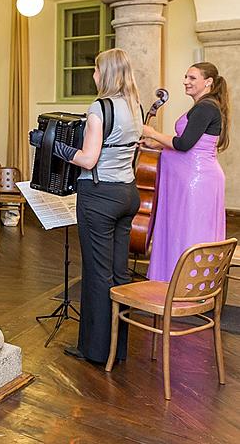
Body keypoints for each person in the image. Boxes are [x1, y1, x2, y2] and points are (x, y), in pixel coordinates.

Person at [29, 48, 141, 364]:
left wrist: (49, 143)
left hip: (99, 196)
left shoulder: (99, 108)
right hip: (128, 194)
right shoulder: (135, 106)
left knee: (97, 274)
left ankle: (94, 351)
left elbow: (88, 159)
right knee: (119, 273)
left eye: (95, 69)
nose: (92, 74)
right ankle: (117, 348)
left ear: (104, 74)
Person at [142, 62, 230, 281]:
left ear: (208, 82)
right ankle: (178, 281)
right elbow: (191, 143)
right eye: (185, 77)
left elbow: (184, 144)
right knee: (184, 230)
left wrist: (152, 133)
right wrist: (160, 145)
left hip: (197, 180)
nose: (185, 82)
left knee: (191, 231)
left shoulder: (206, 107)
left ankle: (188, 285)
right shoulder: (205, 106)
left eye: (192, 78)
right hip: (196, 178)